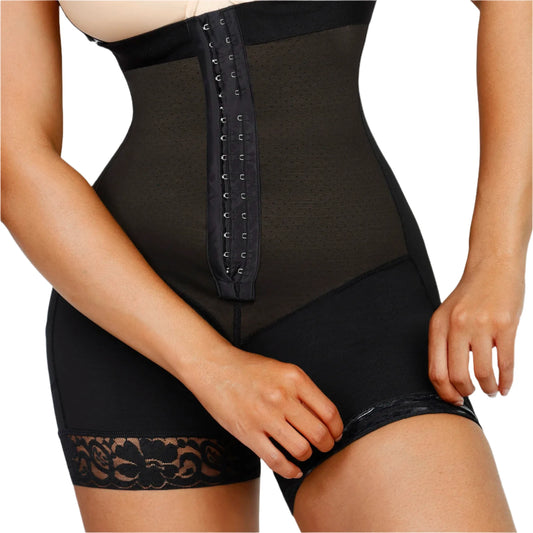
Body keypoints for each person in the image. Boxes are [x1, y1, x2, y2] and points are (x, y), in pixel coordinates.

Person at [1, 0, 530, 531]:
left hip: (351, 295)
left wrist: (497, 260)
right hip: (132, 321)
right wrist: (209, 366)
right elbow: (15, 159)